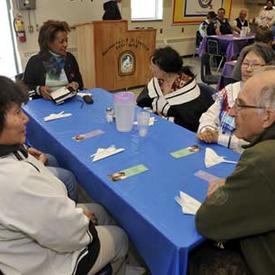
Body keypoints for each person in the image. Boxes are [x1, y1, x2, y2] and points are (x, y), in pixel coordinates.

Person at [0, 76, 128, 274]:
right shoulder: (15, 180)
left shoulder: (10, 158)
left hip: (26, 243)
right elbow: (68, 235)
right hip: (42, 263)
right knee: (119, 237)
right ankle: (117, 260)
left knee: (100, 210)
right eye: (17, 113)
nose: (25, 118)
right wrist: (84, 221)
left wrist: (75, 213)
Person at [189, 67, 275, 275]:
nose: (232, 112)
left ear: (267, 117)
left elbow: (207, 222)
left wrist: (221, 191)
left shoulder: (262, 158)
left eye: (241, 105)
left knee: (195, 256)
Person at [197, 43, 275, 152]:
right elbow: (209, 115)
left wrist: (219, 139)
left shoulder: (269, 100)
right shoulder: (231, 89)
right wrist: (207, 129)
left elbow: (255, 145)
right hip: (214, 149)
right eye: (245, 63)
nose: (248, 69)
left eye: (255, 65)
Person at [136, 46, 212, 132]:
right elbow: (142, 103)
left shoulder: (186, 88)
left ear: (164, 69)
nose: (150, 69)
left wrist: (163, 120)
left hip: (178, 132)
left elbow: (190, 123)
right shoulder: (157, 82)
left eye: (153, 66)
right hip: (155, 127)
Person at [23, 20, 83, 100]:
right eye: (61, 41)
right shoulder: (35, 62)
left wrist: (75, 85)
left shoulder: (70, 58)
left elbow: (80, 82)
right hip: (44, 106)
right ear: (48, 42)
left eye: (66, 40)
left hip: (69, 102)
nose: (66, 44)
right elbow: (25, 88)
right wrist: (39, 90)